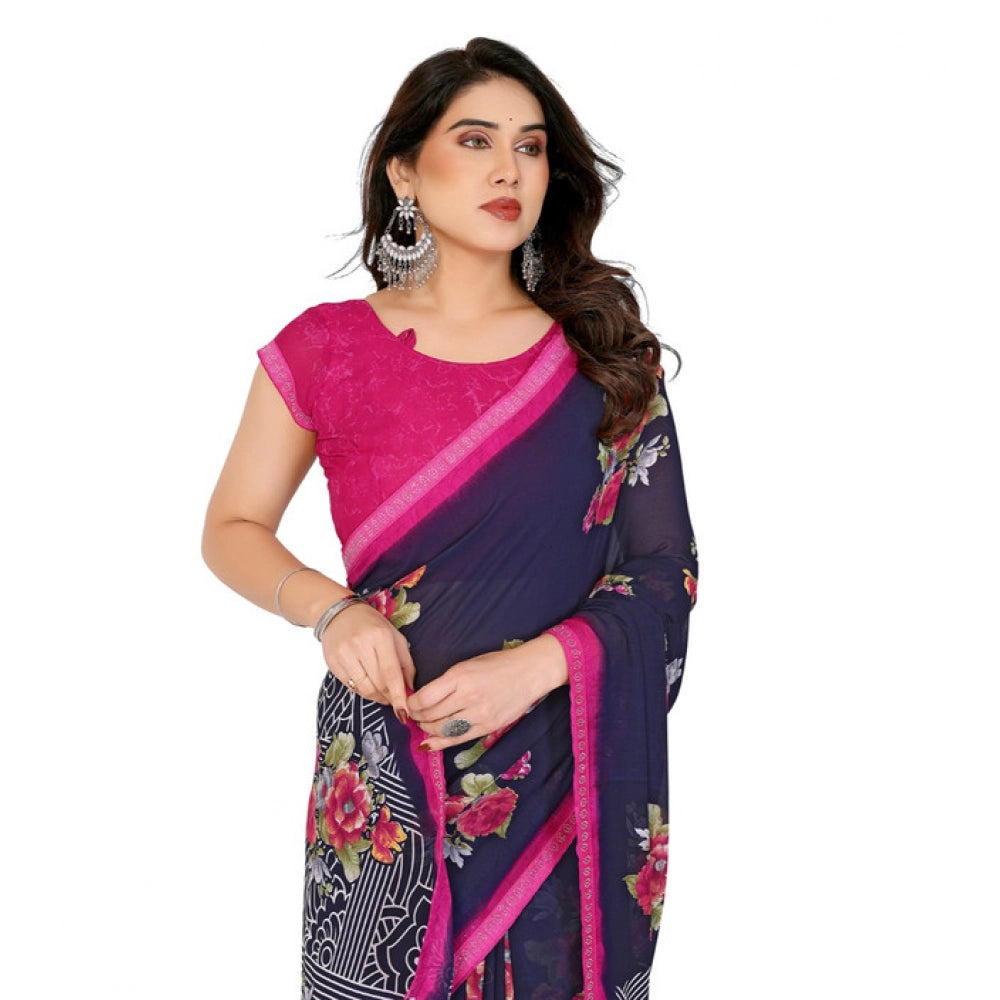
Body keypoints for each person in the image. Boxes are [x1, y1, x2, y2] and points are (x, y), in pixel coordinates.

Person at [202, 37, 698, 1000]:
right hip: (388, 762)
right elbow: (231, 526)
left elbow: (663, 569)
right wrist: (332, 611)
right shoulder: (328, 348)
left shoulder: (605, 357)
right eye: (475, 140)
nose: (509, 169)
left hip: (558, 777)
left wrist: (540, 666)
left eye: (531, 145)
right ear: (404, 170)